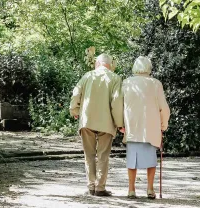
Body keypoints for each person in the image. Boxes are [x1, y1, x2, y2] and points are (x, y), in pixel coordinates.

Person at [69, 53, 124, 196]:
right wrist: (119, 123)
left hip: (87, 121)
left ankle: (91, 186)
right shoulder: (115, 78)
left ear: (97, 63)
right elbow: (117, 102)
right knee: (103, 156)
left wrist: (74, 110)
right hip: (106, 123)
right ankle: (100, 188)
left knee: (89, 155)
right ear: (110, 65)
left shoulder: (87, 76)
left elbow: (76, 94)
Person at [121, 56, 170, 199]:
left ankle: (131, 189)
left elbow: (120, 105)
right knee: (151, 159)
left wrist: (120, 124)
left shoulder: (126, 83)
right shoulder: (156, 84)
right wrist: (163, 124)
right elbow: (164, 108)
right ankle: (150, 189)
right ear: (149, 68)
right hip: (151, 127)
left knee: (132, 160)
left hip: (132, 126)